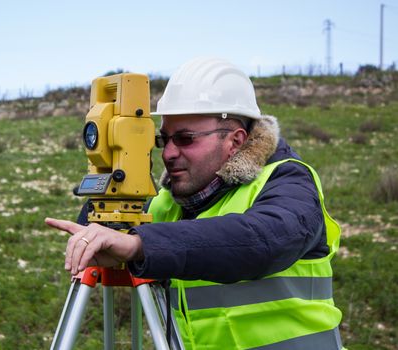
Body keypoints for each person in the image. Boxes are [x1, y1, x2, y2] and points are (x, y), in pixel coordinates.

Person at [45, 57, 343, 349]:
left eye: (185, 139)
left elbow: (263, 239)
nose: (168, 154)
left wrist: (141, 245)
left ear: (235, 141)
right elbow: (99, 230)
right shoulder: (169, 204)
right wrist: (115, 171)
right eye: (163, 140)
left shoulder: (288, 182)